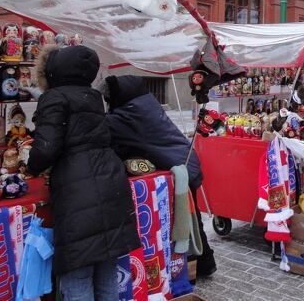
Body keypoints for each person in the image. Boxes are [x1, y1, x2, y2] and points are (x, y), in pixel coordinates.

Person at [27, 45, 140, 301]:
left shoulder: (54, 97)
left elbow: (46, 149)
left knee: (77, 272)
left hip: (78, 189)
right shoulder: (92, 96)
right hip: (109, 180)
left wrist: (29, 167)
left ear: (53, 71)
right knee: (106, 268)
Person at [101, 75, 217, 277]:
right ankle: (205, 264)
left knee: (186, 219)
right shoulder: (143, 104)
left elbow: (102, 128)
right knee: (192, 217)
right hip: (185, 161)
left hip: (182, 167)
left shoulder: (130, 114)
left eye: (109, 99)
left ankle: (191, 268)